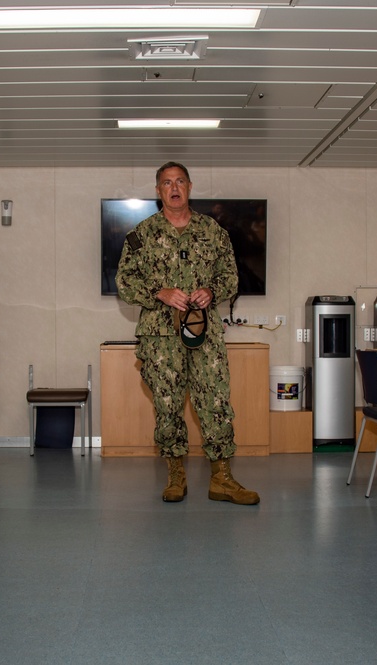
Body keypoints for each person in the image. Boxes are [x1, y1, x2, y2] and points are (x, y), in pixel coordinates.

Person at [115, 161, 259, 505]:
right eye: (167, 183)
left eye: (180, 181)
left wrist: (212, 290)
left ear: (190, 187)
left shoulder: (213, 231)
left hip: (204, 334)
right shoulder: (141, 235)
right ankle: (175, 475)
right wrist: (158, 292)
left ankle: (222, 478)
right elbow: (124, 281)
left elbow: (231, 277)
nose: (174, 187)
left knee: (216, 403)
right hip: (160, 337)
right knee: (167, 405)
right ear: (158, 191)